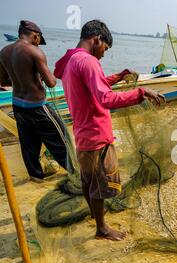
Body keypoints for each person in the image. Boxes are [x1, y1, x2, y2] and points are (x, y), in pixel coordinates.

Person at [54, 20, 165, 241]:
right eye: (104, 48)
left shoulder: (71, 61)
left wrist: (119, 75)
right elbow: (106, 98)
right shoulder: (89, 62)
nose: (103, 54)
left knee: (87, 181)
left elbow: (96, 85)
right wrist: (141, 92)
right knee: (99, 184)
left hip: (83, 134)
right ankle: (102, 229)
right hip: (96, 135)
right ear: (97, 39)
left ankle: (97, 219)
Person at [0, 20, 70, 182]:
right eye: (39, 39)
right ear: (35, 36)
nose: (39, 43)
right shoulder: (34, 52)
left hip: (18, 106)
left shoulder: (4, 52)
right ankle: (76, 174)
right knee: (62, 140)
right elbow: (51, 82)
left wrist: (23, 79)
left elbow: (3, 82)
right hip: (38, 107)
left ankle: (36, 177)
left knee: (29, 146)